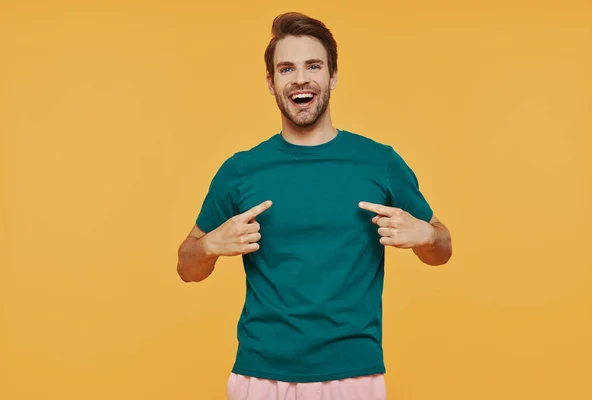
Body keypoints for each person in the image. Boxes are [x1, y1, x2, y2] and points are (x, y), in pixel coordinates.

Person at [177, 11, 452, 400]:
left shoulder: (380, 162)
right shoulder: (240, 170)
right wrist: (208, 247)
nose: (300, 78)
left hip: (354, 374)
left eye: (313, 66)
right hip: (261, 375)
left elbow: (443, 248)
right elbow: (186, 267)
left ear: (333, 76)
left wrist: (426, 235)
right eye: (286, 68)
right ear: (271, 83)